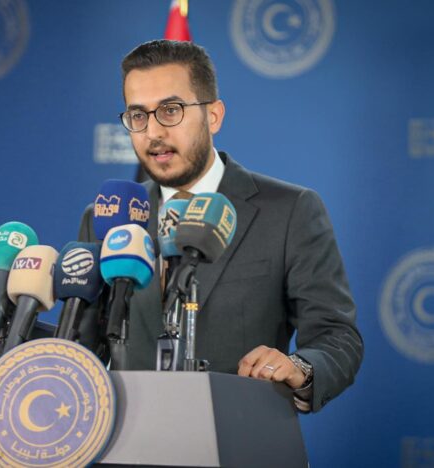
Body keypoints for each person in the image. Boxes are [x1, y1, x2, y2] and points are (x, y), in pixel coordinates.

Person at [78, 39, 363, 413]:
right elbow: (84, 344)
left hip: (238, 433)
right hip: (129, 436)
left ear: (213, 116)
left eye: (170, 110)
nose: (153, 132)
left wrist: (299, 367)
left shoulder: (290, 211)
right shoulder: (108, 217)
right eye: (138, 116)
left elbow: (336, 337)